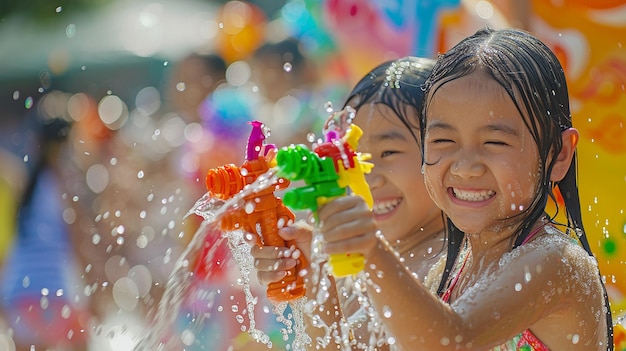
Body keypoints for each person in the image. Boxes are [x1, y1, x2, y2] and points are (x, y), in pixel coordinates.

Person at [309, 27, 614, 350]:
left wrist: (369, 247)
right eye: (444, 141)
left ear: (559, 153)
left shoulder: (555, 263)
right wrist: (313, 274)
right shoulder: (449, 270)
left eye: (495, 142)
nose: (466, 166)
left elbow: (453, 342)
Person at [251, 56, 447, 349]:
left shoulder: (455, 263)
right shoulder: (350, 262)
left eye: (389, 152)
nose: (367, 177)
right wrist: (314, 277)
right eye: (352, 157)